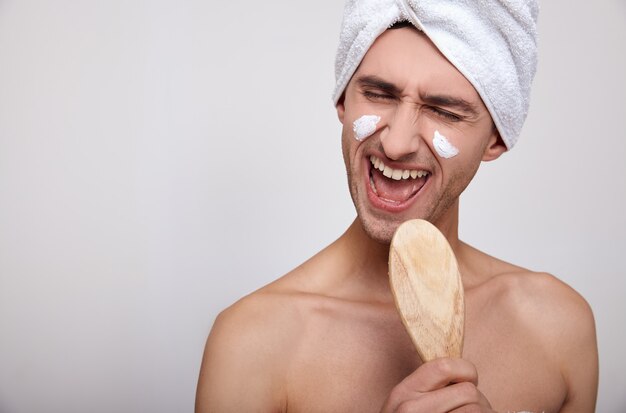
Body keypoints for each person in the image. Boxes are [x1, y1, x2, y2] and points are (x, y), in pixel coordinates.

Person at [195, 1, 598, 412]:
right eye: (378, 94)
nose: (396, 143)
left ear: (495, 139)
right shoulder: (252, 344)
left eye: (443, 111)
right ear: (343, 100)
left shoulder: (558, 328)